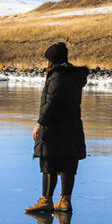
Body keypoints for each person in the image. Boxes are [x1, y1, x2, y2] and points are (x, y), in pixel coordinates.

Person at [27, 42, 88, 213]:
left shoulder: (57, 76)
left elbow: (51, 102)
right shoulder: (73, 76)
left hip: (55, 127)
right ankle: (65, 201)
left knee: (48, 160)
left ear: (53, 60)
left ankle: (46, 200)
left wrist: (40, 123)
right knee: (68, 162)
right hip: (72, 126)